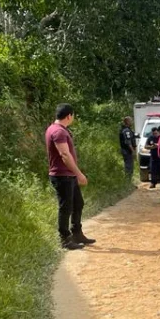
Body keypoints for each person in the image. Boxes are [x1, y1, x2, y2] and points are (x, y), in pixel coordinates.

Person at [46, 104, 95, 250]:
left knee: (77, 203)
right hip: (62, 175)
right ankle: (65, 239)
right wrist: (79, 174)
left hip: (68, 175)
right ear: (69, 116)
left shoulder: (57, 129)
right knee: (66, 207)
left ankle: (77, 233)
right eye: (73, 116)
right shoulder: (58, 132)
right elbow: (65, 155)